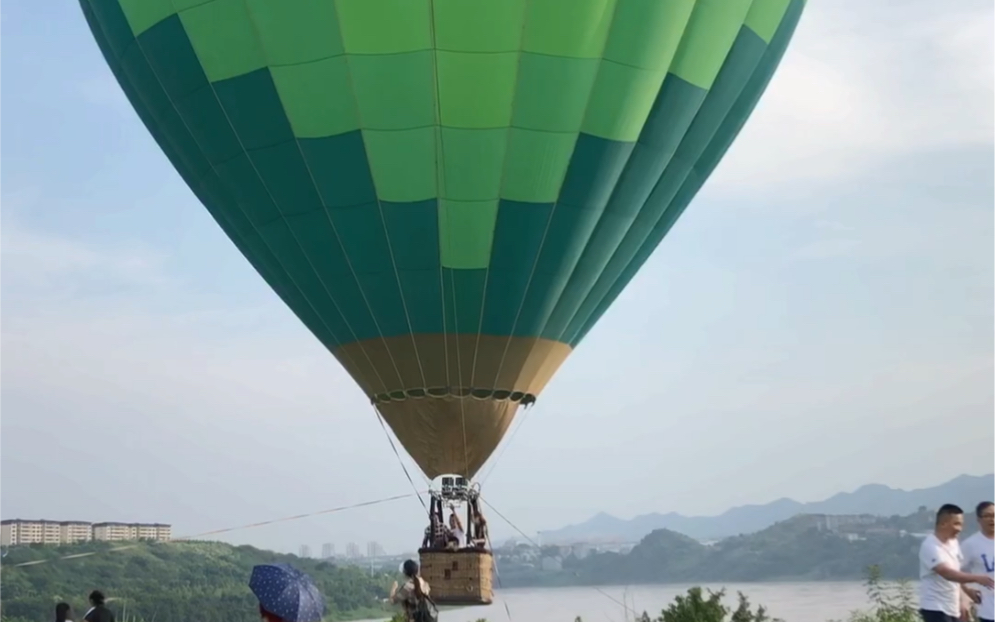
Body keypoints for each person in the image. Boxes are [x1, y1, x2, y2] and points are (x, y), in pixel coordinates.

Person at [919, 504, 994, 622]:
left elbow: (958, 573)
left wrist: (965, 597)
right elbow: (947, 573)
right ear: (943, 524)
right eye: (956, 524)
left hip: (952, 607)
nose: (960, 528)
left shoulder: (953, 543)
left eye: (961, 524)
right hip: (935, 607)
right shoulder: (930, 546)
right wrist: (977, 578)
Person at [962, 501, 995, 622]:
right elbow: (954, 572)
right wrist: (967, 590)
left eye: (994, 515)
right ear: (979, 519)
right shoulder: (970, 544)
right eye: (987, 516)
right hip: (988, 610)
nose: (992, 519)